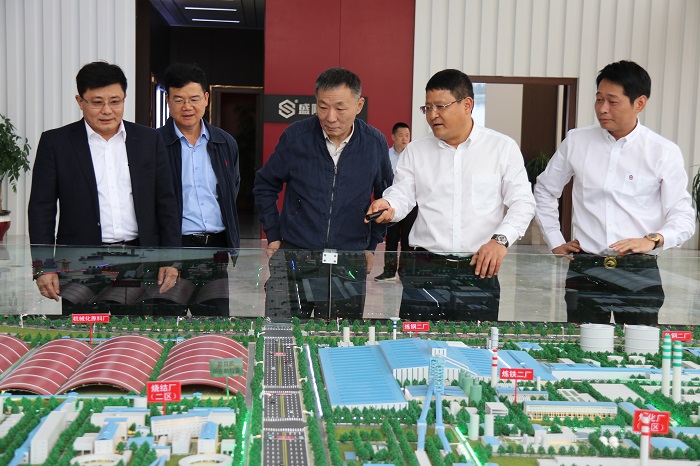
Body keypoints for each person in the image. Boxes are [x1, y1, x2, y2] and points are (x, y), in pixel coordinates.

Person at [534, 60, 695, 325]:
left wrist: (653, 240)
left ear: (639, 103)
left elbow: (683, 216)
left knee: (638, 346)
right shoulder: (577, 141)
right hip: (586, 267)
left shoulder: (662, 151)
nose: (602, 109)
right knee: (582, 343)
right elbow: (544, 191)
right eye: (599, 99)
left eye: (612, 101)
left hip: (638, 269)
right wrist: (554, 238)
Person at [366, 69, 535, 322]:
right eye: (428, 108)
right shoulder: (416, 151)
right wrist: (389, 204)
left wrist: (500, 241)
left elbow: (523, 203)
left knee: (474, 342)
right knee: (417, 342)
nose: (432, 115)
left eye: (440, 106)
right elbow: (402, 194)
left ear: (467, 105)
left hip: (478, 268)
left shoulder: (501, 148)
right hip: (425, 268)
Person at [28, 61, 181, 309]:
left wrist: (171, 259)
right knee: (83, 331)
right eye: (97, 102)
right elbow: (41, 210)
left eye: (115, 101)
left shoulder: (148, 140)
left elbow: (167, 203)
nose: (107, 110)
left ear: (124, 98)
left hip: (140, 261)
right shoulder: (56, 143)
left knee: (135, 332)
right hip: (81, 264)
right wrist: (43, 267)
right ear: (80, 101)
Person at [254, 67, 393, 321]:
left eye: (340, 108)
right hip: (295, 254)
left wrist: (371, 246)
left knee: (339, 337)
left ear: (359, 105)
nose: (330, 117)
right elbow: (264, 184)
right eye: (322, 107)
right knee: (281, 333)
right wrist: (273, 235)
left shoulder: (374, 143)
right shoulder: (296, 137)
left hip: (348, 259)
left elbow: (386, 198)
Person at [158, 63, 241, 316]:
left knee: (214, 326)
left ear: (206, 98)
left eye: (194, 99)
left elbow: (231, 190)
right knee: (167, 325)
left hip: (215, 250)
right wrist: (165, 258)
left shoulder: (224, 142)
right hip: (173, 249)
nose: (187, 107)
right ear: (168, 101)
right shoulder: (154, 144)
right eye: (179, 99)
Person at [374, 122, 418, 283]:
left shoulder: (414, 155)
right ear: (393, 137)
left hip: (411, 204)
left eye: (407, 135)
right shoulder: (386, 155)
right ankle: (389, 272)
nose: (405, 139)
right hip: (390, 205)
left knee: (407, 241)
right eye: (401, 135)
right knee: (391, 240)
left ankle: (405, 273)